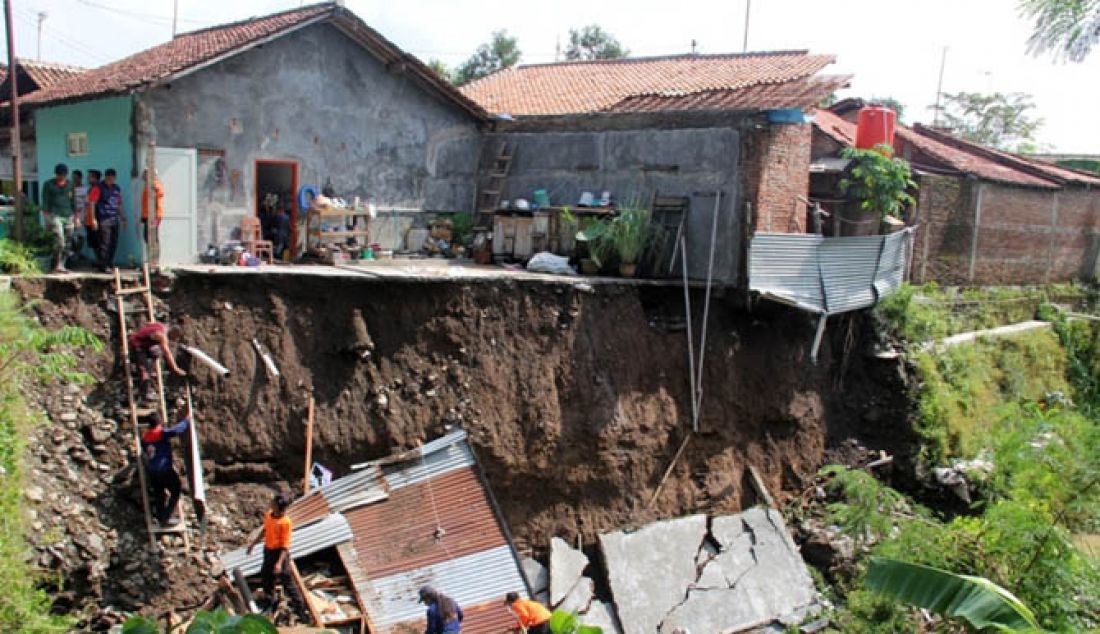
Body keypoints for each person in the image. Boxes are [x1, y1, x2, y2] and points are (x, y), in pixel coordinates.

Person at [246, 494, 304, 615]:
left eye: (273, 503)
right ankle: (270, 602)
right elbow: (265, 530)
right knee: (266, 576)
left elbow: (285, 545)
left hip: (280, 554)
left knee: (287, 581)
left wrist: (279, 563)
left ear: (278, 506)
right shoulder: (269, 515)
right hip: (268, 551)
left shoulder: (285, 522)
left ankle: (300, 608)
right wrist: (253, 544)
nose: (271, 503)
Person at [140, 411, 190, 526]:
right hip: (164, 469)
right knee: (176, 489)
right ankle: (166, 518)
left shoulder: (145, 438)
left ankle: (160, 517)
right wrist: (187, 420)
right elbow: (176, 430)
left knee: (159, 494)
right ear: (159, 422)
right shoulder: (160, 433)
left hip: (152, 471)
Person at [127, 321, 186, 402]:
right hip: (137, 346)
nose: (174, 340)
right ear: (173, 333)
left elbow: (148, 324)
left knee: (157, 351)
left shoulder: (162, 325)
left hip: (140, 342)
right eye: (175, 337)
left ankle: (146, 365)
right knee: (145, 373)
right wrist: (176, 368)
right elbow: (167, 353)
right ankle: (144, 393)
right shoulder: (162, 336)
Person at [87, 168, 126, 273]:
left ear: (115, 178)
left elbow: (119, 204)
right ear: (105, 177)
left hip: (114, 218)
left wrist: (123, 218)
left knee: (113, 242)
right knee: (104, 243)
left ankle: (109, 263)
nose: (110, 180)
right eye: (108, 177)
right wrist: (93, 219)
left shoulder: (116, 188)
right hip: (103, 218)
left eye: (112, 178)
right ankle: (103, 265)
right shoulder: (98, 188)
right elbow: (92, 203)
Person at [41, 163, 76, 273]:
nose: (61, 177)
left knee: (68, 241)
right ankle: (56, 264)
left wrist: (76, 217)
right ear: (56, 174)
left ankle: (62, 264)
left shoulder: (70, 185)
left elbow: (73, 201)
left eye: (63, 175)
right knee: (60, 240)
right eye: (59, 175)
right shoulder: (49, 184)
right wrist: (46, 218)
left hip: (68, 215)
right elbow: (45, 201)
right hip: (54, 215)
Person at [141, 169, 164, 258]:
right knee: (147, 237)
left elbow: (160, 193)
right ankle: (152, 258)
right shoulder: (147, 185)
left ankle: (155, 259)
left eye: (145, 173)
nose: (143, 175)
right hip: (147, 215)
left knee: (153, 237)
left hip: (154, 216)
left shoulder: (155, 184)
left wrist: (155, 189)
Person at [83, 170, 102, 255]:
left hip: (94, 220)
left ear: (95, 178)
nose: (88, 178)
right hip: (89, 220)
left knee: (97, 242)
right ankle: (98, 261)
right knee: (93, 243)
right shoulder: (91, 189)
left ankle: (101, 262)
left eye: (90, 177)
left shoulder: (96, 188)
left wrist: (94, 219)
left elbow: (93, 203)